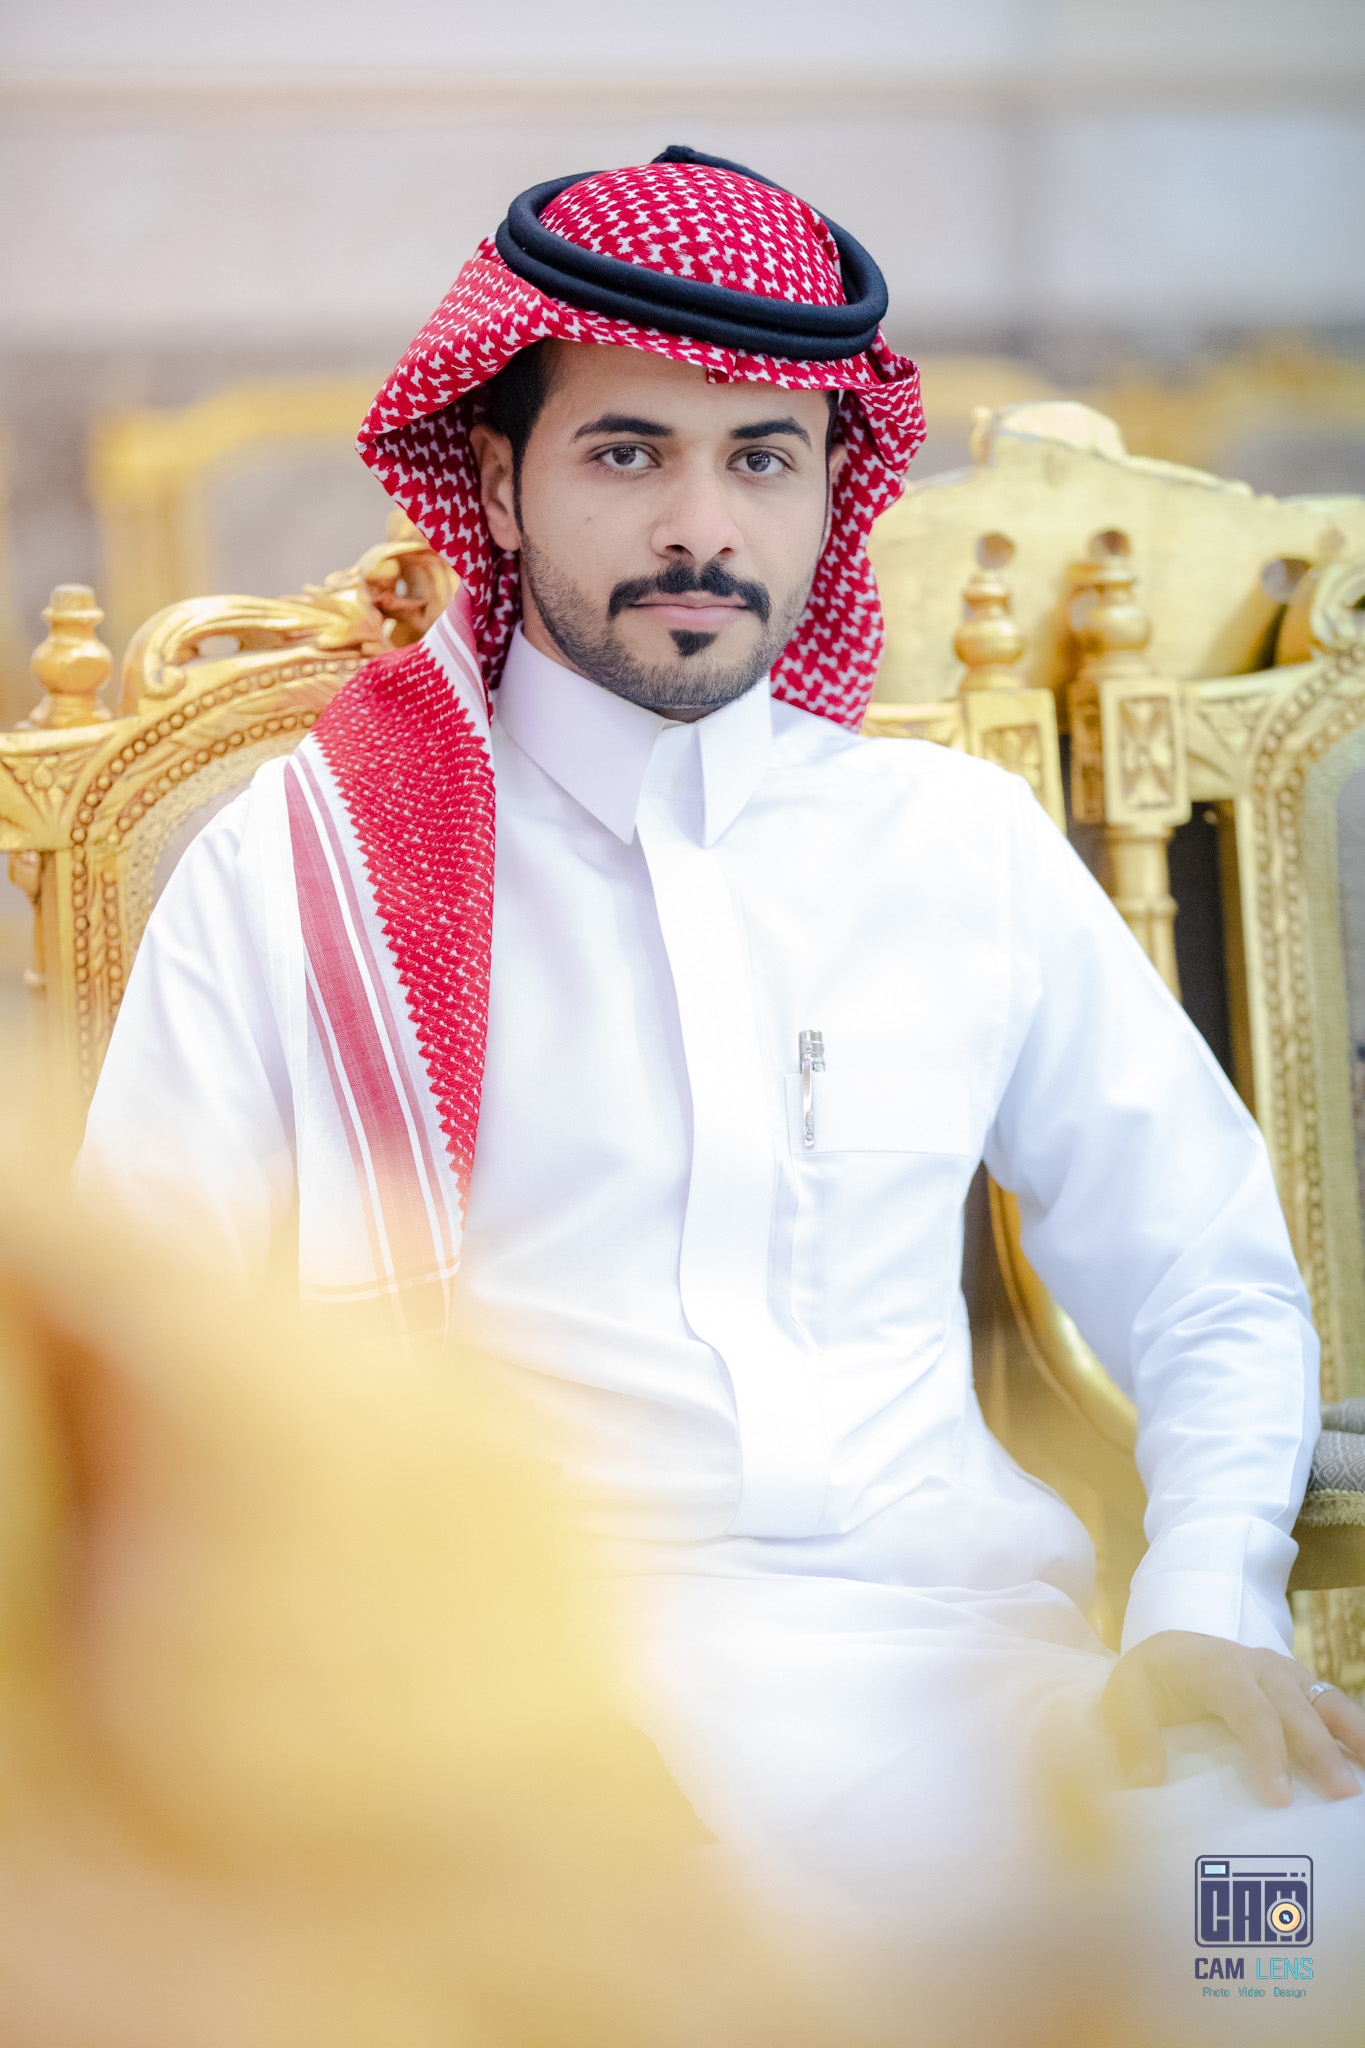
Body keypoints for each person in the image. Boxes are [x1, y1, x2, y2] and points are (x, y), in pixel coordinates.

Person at [79, 146, 1363, 2035]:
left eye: (761, 458)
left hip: (989, 1689)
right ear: (496, 481)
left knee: (1291, 1942)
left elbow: (1209, 1284)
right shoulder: (307, 873)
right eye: (628, 454)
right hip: (526, 1720)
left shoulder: (952, 845)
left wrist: (1202, 1605)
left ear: (831, 490)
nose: (701, 525)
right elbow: (132, 1361)